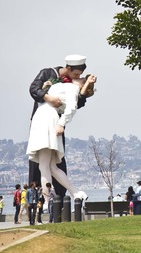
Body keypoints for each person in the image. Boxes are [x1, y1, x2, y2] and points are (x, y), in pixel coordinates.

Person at [28, 54, 95, 199]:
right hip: (44, 122)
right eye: (76, 74)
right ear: (68, 69)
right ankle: (55, 195)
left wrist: (86, 86)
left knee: (51, 164)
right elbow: (34, 88)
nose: (77, 77)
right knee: (44, 164)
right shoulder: (47, 72)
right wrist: (47, 97)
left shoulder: (72, 86)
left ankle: (57, 196)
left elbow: (77, 104)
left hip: (55, 123)